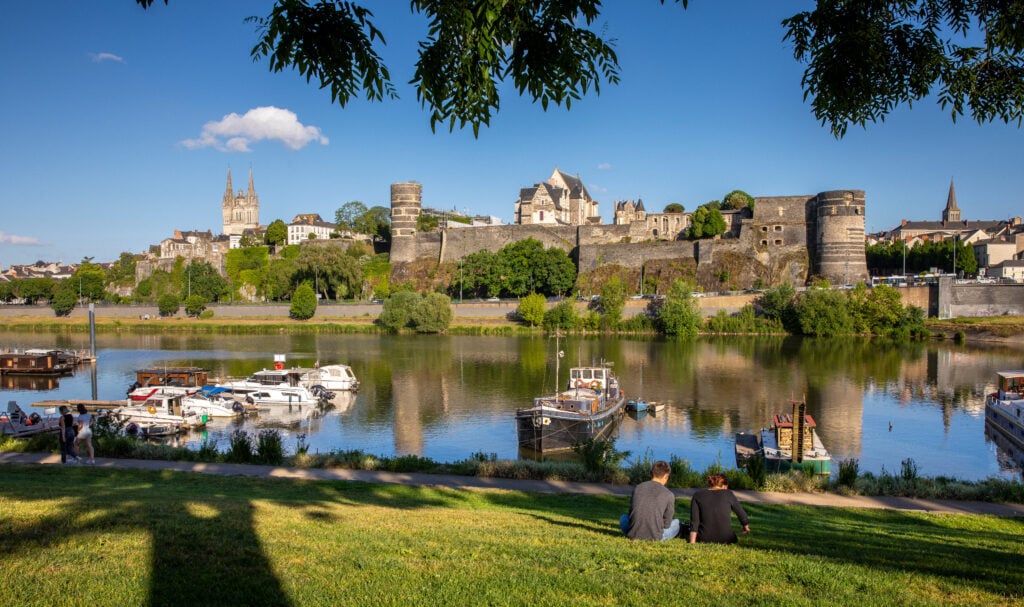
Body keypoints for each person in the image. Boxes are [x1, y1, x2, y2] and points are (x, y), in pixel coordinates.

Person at [620, 460, 681, 541]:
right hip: (655, 536)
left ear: (650, 473)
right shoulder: (669, 494)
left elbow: (631, 513)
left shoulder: (638, 488)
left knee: (623, 518)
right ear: (666, 476)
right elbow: (667, 524)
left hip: (633, 534)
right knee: (677, 523)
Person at [688, 473, 750, 544]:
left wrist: (692, 542)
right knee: (733, 537)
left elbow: (694, 521)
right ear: (724, 486)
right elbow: (741, 514)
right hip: (727, 538)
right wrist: (746, 526)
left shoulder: (697, 495)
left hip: (704, 538)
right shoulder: (728, 494)